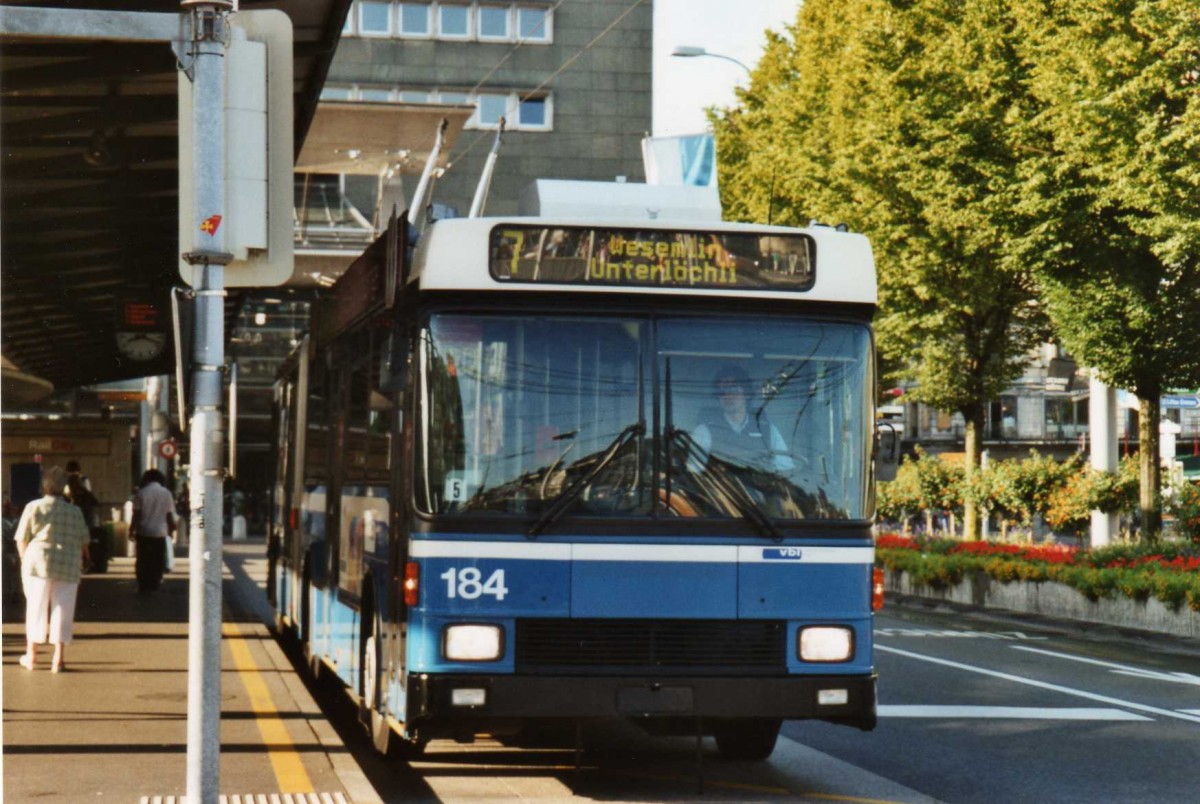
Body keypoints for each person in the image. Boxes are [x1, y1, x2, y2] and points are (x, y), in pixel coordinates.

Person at [13, 466, 91, 672]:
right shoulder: (75, 511)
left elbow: (21, 538)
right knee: (63, 609)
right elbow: (84, 541)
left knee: (36, 608)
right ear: (65, 488)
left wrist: (24, 560)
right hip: (68, 562)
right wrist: (86, 559)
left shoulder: (33, 507)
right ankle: (58, 659)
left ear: (44, 485)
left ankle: (32, 655)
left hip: (37, 562)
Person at [692, 365, 794, 474]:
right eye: (722, 391)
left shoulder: (767, 430)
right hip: (719, 490)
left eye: (733, 389)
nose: (727, 395)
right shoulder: (703, 432)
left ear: (746, 393)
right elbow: (693, 473)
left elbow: (785, 470)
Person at [130, 469, 177, 593]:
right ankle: (154, 583)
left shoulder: (141, 493)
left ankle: (143, 585)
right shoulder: (167, 493)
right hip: (160, 532)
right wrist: (172, 529)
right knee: (157, 559)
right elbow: (169, 515)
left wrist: (131, 530)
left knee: (143, 559)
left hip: (143, 532)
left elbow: (136, 515)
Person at [64, 459, 105, 573]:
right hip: (85, 515)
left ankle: (75, 562)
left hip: (70, 516)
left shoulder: (65, 482)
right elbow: (90, 498)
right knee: (84, 540)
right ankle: (86, 561)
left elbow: (65, 498)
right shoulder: (84, 480)